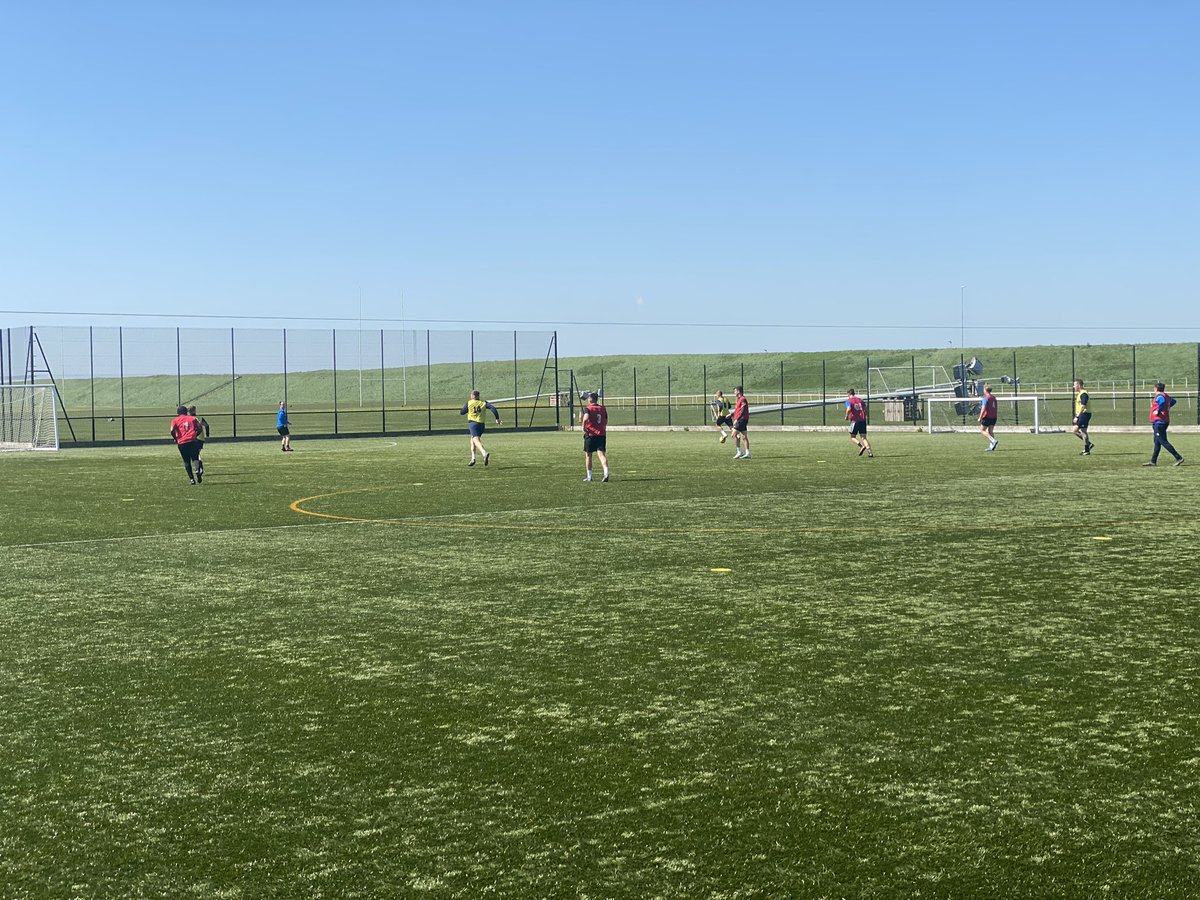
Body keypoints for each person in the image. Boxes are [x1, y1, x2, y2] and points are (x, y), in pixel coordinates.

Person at [1144, 382, 1184, 467]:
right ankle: (1153, 461)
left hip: (1159, 422)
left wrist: (1158, 411)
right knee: (1157, 442)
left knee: (1163, 441)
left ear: (1156, 389)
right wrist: (1167, 407)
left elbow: (1161, 402)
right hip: (1162, 421)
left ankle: (1178, 457)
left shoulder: (1159, 396)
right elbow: (1173, 401)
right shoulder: (1166, 396)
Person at [460, 390, 501, 466]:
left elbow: (462, 412)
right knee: (472, 441)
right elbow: (493, 408)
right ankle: (473, 459)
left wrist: (465, 410)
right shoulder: (483, 402)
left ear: (472, 396)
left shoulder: (469, 402)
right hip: (481, 425)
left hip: (473, 423)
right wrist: (497, 418)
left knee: (475, 440)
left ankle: (484, 453)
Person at [169, 405, 204, 484]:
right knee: (195, 458)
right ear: (186, 412)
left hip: (182, 442)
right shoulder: (193, 418)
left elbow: (171, 430)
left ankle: (192, 479)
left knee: (186, 461)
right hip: (192, 441)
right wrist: (195, 435)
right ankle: (197, 470)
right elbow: (200, 428)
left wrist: (175, 438)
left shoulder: (175, 420)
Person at [580, 391, 610, 482]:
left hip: (591, 435)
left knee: (588, 455)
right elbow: (605, 420)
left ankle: (589, 477)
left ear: (590, 399)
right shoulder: (603, 408)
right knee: (601, 454)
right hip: (601, 434)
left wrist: (583, 427)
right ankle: (606, 473)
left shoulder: (588, 408)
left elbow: (585, 418)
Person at [845, 389, 873, 457]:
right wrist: (866, 416)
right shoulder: (861, 400)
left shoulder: (849, 401)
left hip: (855, 421)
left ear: (848, 394)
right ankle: (870, 452)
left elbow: (848, 409)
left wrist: (846, 416)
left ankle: (861, 446)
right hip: (862, 420)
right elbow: (865, 409)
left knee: (852, 437)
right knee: (864, 437)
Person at [1071, 379, 1093, 455]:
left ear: (1079, 385)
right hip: (1081, 414)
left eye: (1074, 385)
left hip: (1084, 414)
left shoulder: (1084, 394)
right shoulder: (1080, 393)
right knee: (1074, 430)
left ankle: (1087, 450)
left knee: (1083, 431)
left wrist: (1077, 416)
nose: (1073, 386)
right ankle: (1089, 444)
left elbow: (1083, 406)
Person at [188, 405, 210, 478]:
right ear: (195, 410)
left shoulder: (188, 419)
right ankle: (199, 468)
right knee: (197, 453)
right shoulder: (199, 418)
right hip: (200, 438)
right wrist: (207, 434)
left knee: (194, 454)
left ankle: (199, 468)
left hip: (191, 438)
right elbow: (206, 425)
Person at [731, 386, 751, 459]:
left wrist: (737, 419)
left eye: (735, 391)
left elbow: (742, 410)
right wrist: (731, 414)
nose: (734, 393)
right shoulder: (739, 399)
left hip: (741, 419)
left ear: (738, 391)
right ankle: (748, 453)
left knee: (734, 435)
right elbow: (738, 410)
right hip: (742, 419)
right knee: (744, 436)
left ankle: (739, 452)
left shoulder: (743, 399)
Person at [979, 383, 998, 451]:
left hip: (987, 416)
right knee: (990, 431)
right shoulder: (994, 398)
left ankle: (993, 440)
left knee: (982, 430)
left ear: (985, 390)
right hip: (994, 417)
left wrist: (980, 417)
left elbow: (983, 409)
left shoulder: (985, 398)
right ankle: (991, 446)